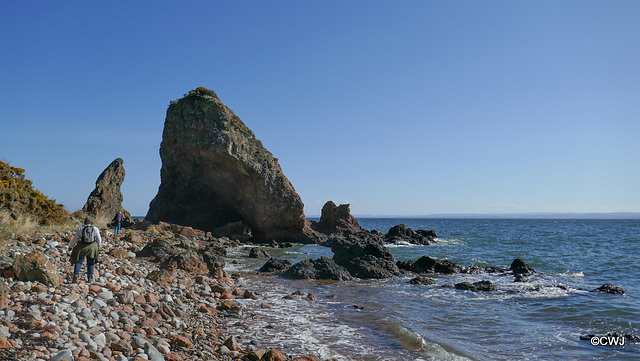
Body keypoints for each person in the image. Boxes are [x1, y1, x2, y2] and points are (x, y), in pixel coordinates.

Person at [68, 216, 102, 283]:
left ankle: (76, 275)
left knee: (79, 261)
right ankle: (90, 278)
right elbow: (98, 239)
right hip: (92, 246)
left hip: (81, 246)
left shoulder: (80, 228)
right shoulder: (95, 228)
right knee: (91, 262)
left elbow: (75, 238)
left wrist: (71, 246)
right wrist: (98, 246)